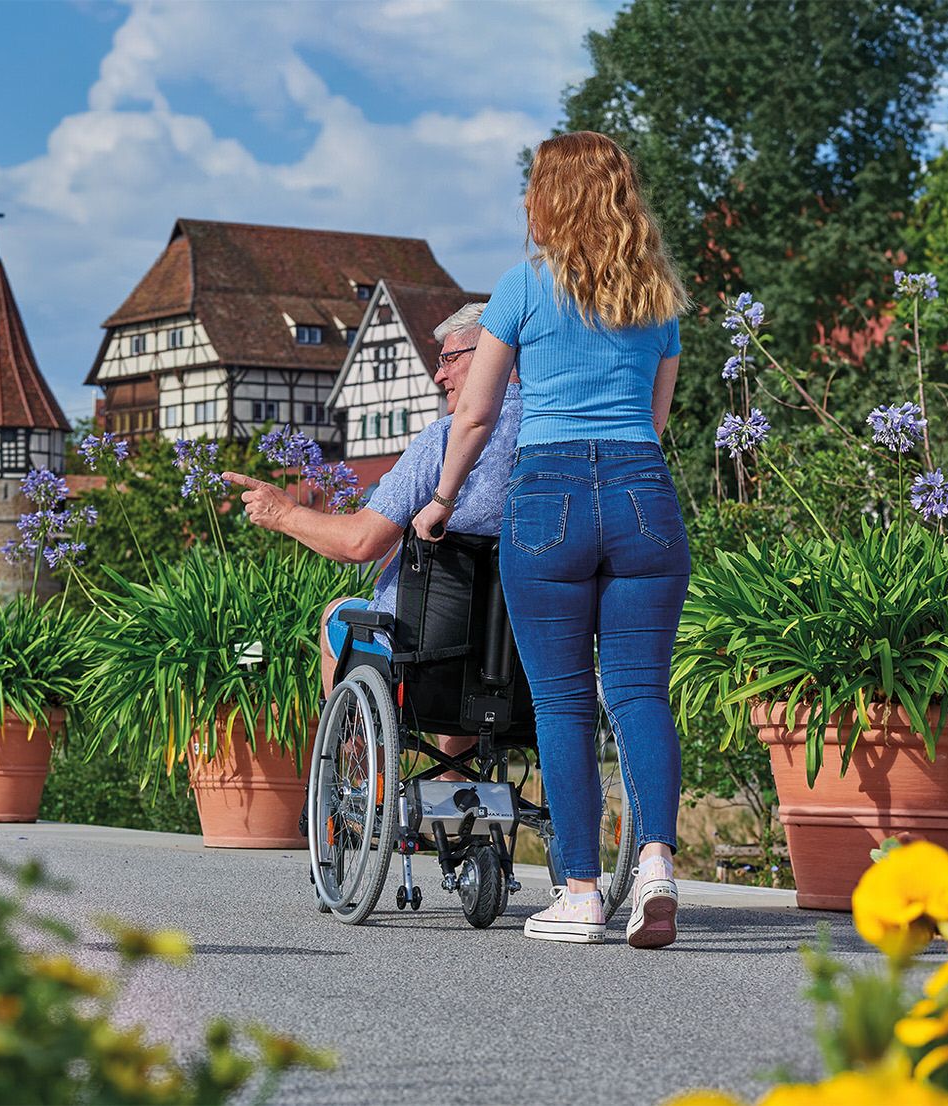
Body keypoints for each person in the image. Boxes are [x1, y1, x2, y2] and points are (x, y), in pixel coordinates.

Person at [412, 131, 689, 949]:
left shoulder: (522, 288)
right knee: (639, 692)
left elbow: (476, 413)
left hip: (549, 501)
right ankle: (658, 865)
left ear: (550, 199)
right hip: (644, 494)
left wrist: (441, 500)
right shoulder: (658, 296)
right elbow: (658, 419)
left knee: (566, 702)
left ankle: (579, 892)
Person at [223, 303, 523, 704]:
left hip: (419, 661)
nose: (439, 375)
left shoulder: (445, 441)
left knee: (337, 613)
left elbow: (360, 543)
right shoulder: (551, 435)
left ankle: (357, 763)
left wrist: (286, 514)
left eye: (449, 359)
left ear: (488, 353)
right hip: (521, 665)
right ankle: (451, 770)